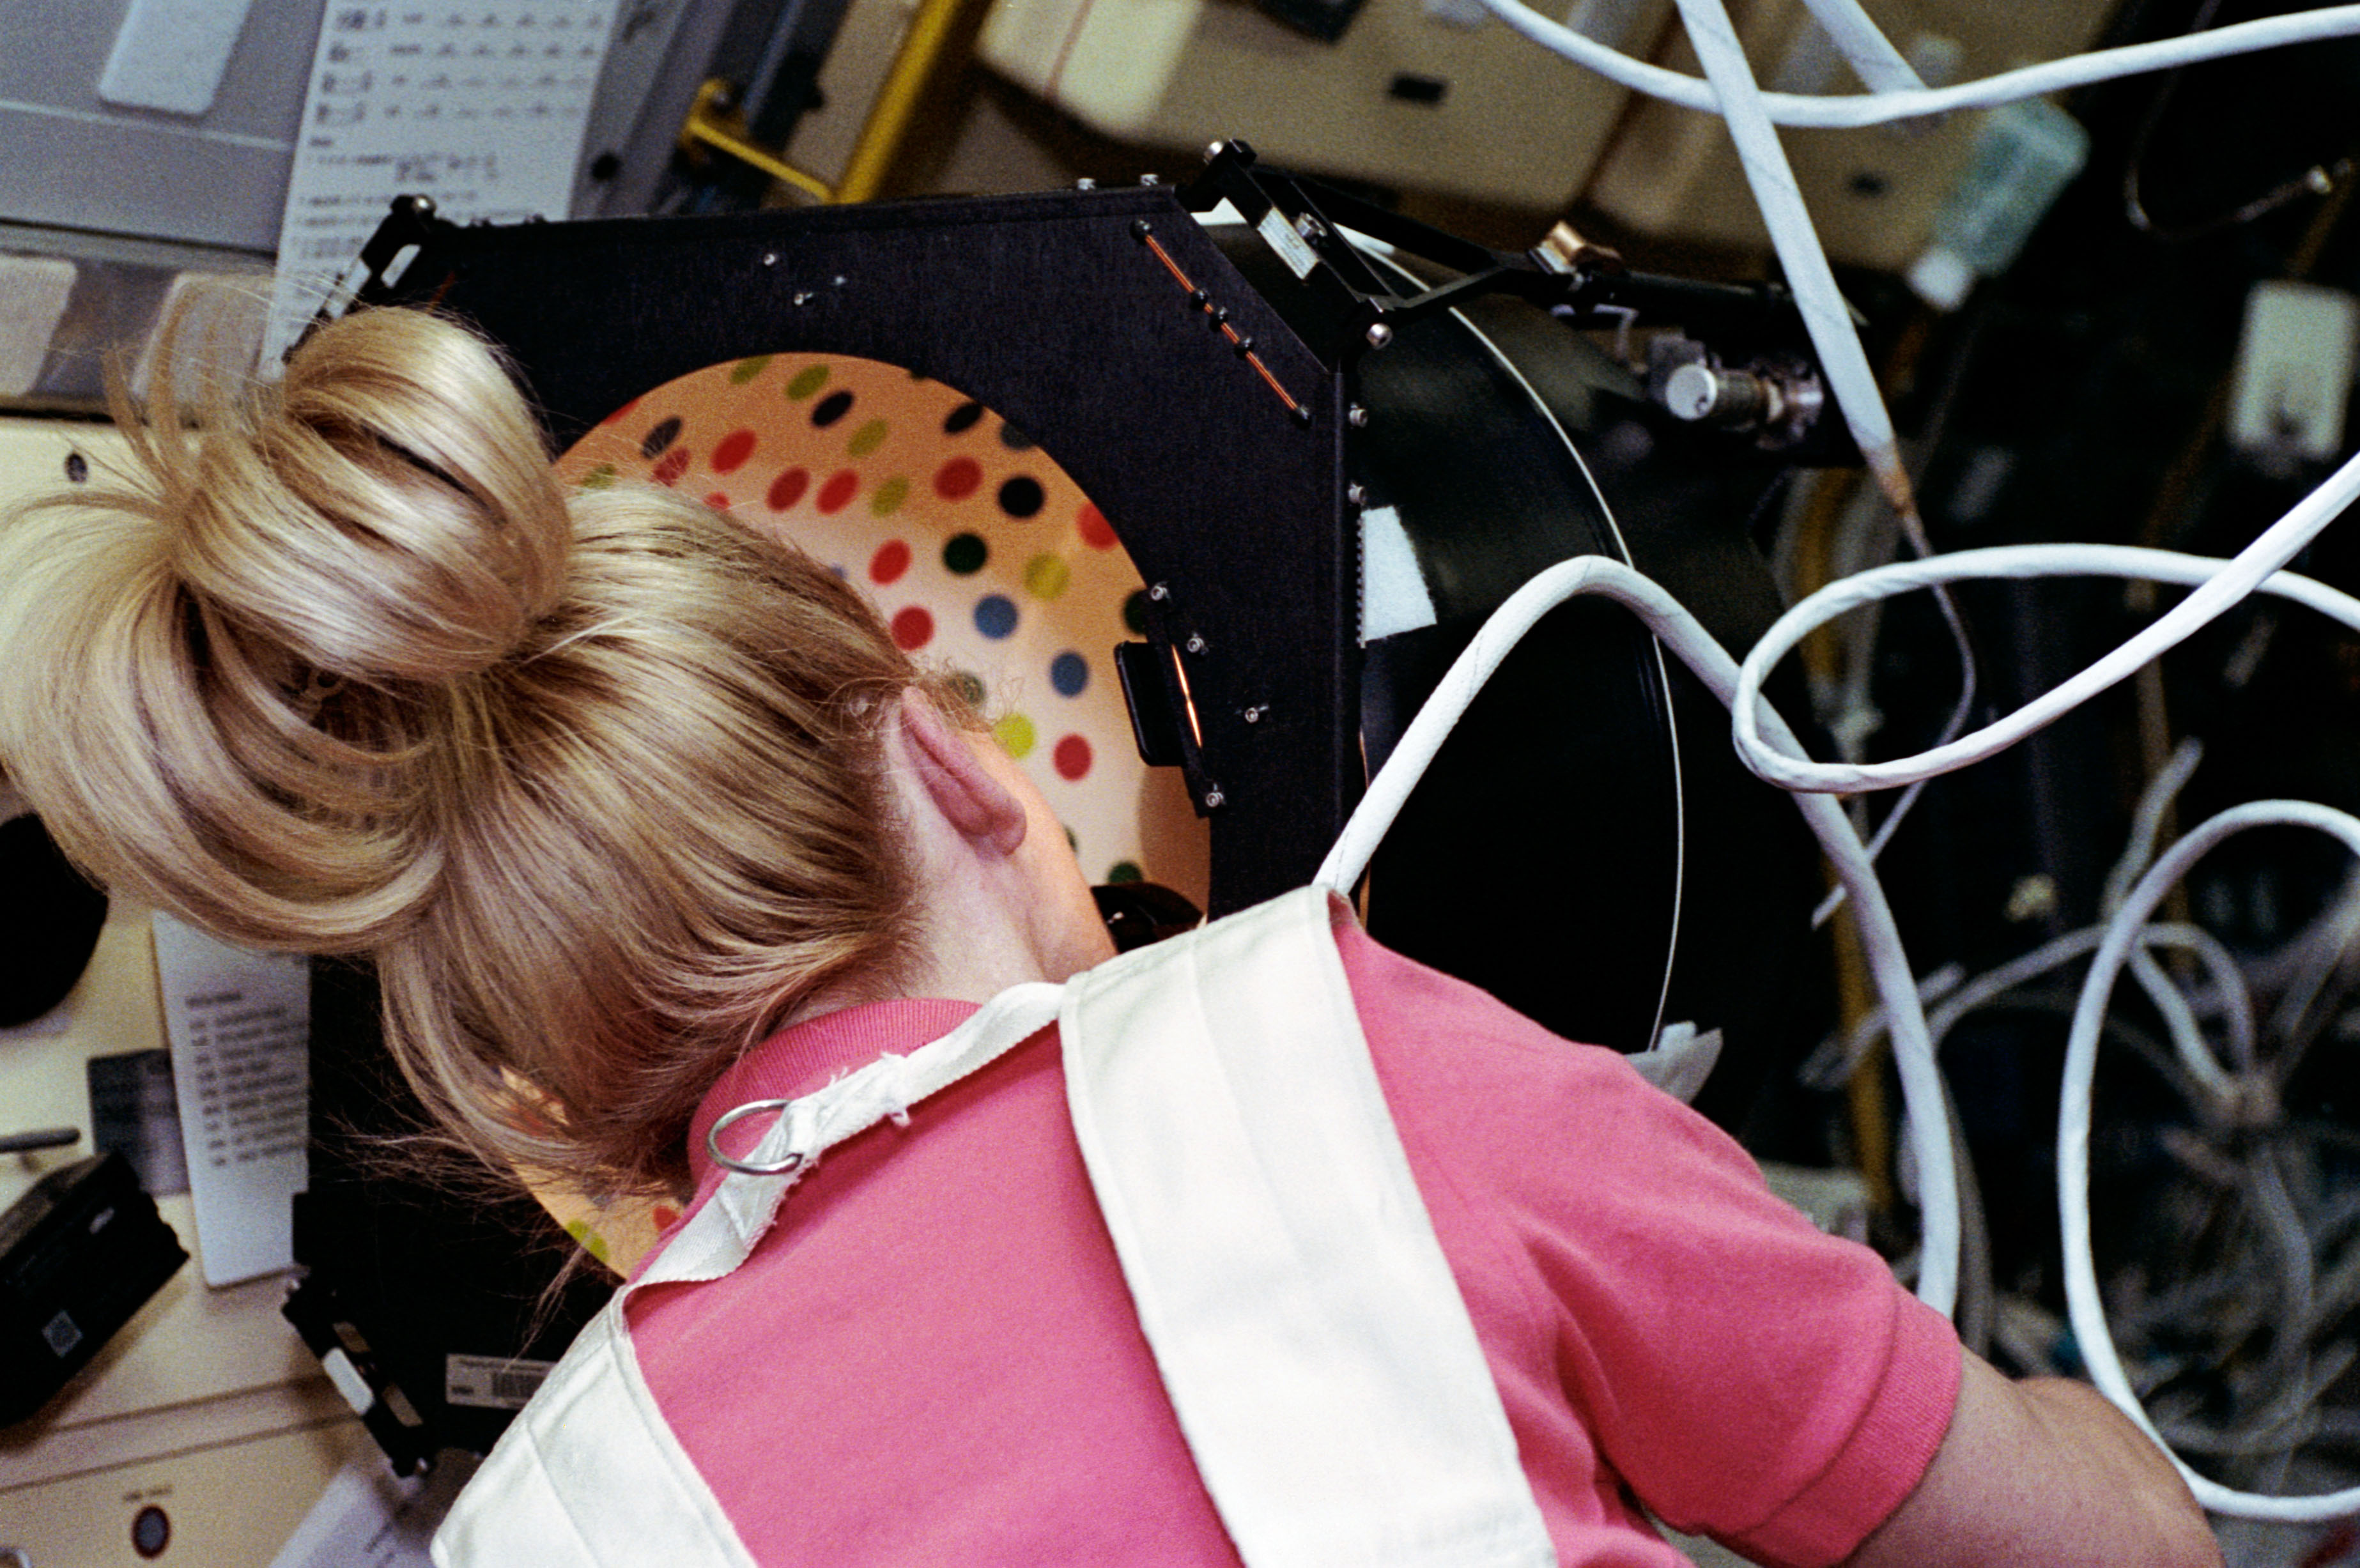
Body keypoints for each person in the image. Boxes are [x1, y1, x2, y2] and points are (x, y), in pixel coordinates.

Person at [0, 307, 2217, 1568]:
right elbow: (2108, 1561)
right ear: (953, 758)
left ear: (535, 1111)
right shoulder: (1323, 1063)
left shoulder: (539, 1536)